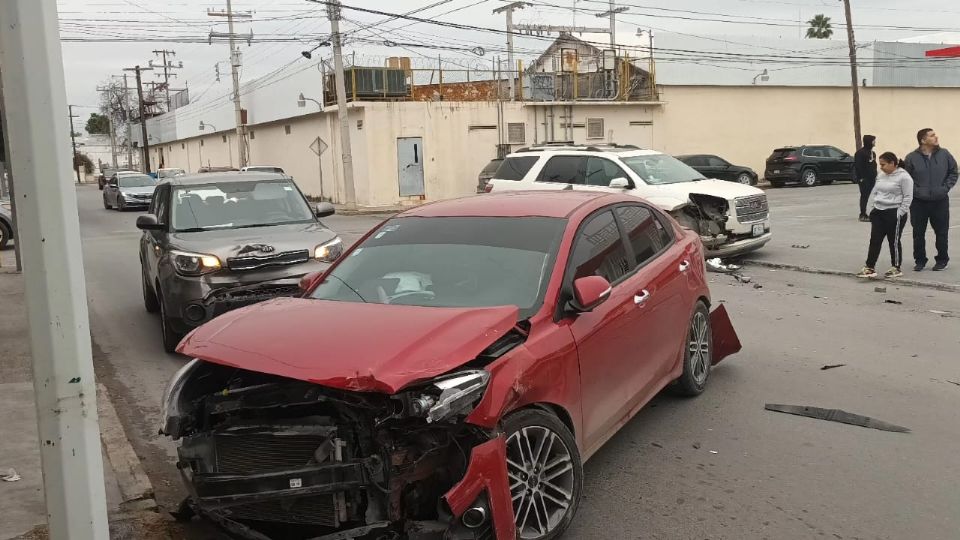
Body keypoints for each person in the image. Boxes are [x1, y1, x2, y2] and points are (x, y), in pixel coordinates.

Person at [903, 128, 957, 271]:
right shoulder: (911, 158)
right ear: (923, 140)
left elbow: (953, 172)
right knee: (918, 233)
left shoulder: (945, 154)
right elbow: (905, 178)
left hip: (940, 200)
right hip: (919, 202)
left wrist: (945, 188)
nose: (936, 137)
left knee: (941, 232)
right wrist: (916, 192)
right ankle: (920, 260)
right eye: (932, 135)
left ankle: (942, 259)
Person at [856, 152, 914, 279]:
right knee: (875, 240)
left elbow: (908, 197)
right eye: (880, 165)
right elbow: (875, 191)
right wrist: (873, 207)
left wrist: (900, 212)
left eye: (883, 164)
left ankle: (896, 267)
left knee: (893, 241)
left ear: (893, 163)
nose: (881, 167)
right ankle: (870, 267)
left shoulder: (904, 177)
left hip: (894, 212)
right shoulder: (881, 175)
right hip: (878, 212)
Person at [854, 135, 878, 222]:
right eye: (873, 141)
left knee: (871, 196)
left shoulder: (872, 153)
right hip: (864, 179)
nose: (875, 142)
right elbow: (858, 166)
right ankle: (862, 214)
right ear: (869, 141)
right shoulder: (860, 153)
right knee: (864, 196)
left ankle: (875, 213)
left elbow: (874, 165)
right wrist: (861, 178)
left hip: (872, 178)